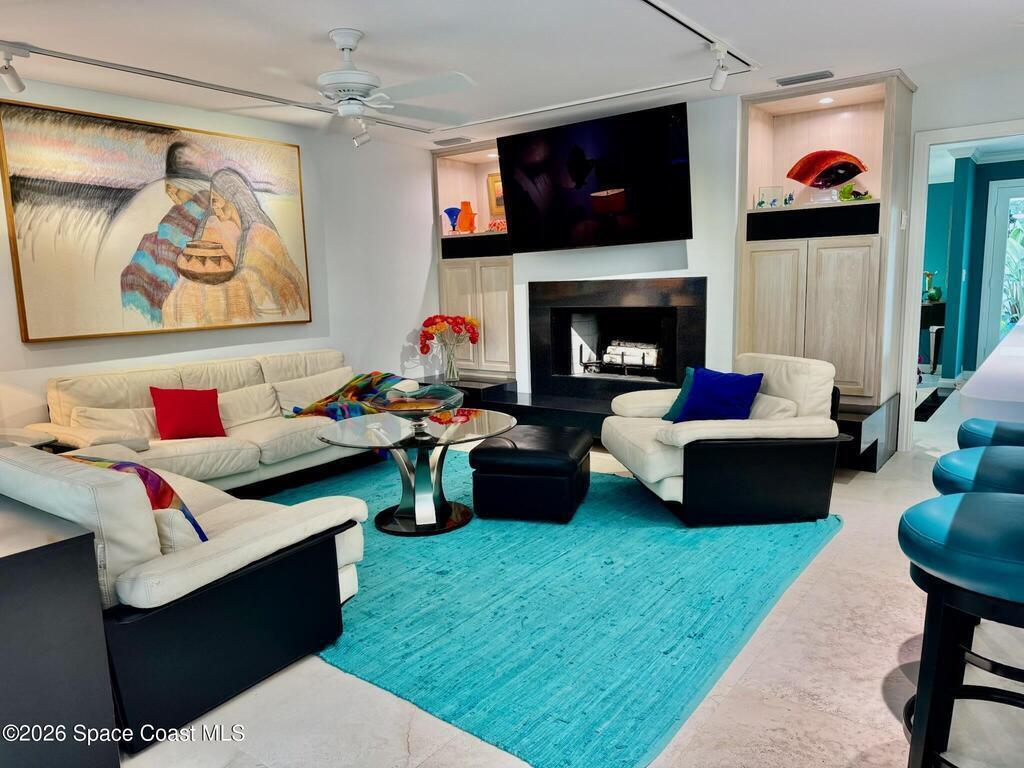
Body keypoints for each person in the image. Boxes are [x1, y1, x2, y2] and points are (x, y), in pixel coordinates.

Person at [161, 168, 308, 327]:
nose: (213, 207)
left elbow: (258, 286)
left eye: (216, 200)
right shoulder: (218, 225)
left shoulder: (260, 234)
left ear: (231, 199)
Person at [120, 142, 210, 324]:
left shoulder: (200, 211)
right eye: (169, 189)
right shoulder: (185, 211)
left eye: (175, 189)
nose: (172, 194)